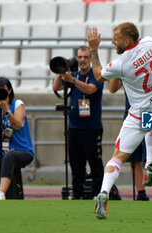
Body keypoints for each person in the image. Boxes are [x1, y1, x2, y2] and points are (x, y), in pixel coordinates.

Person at [87, 22, 152, 219]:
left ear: (127, 41)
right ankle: (150, 163)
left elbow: (97, 75)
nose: (112, 42)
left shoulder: (121, 64)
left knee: (118, 156)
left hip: (140, 113)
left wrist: (94, 49)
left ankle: (103, 193)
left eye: (116, 39)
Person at [52, 46, 104, 200]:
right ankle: (77, 194)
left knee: (95, 164)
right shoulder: (73, 74)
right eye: (80, 57)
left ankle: (98, 193)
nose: (82, 60)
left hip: (91, 128)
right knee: (76, 165)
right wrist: (62, 70)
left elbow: (90, 89)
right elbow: (56, 87)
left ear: (90, 59)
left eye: (86, 57)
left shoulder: (96, 75)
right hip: (73, 128)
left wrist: (73, 81)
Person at [108, 79, 152, 201]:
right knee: (133, 158)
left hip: (150, 112)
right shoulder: (126, 66)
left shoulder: (147, 63)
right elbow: (112, 88)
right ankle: (141, 193)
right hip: (132, 115)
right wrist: (116, 72)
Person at [0, 77, 34, 200]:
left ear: (9, 91)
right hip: (2, 150)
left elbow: (17, 125)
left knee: (9, 156)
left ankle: (1, 193)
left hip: (22, 151)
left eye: (3, 90)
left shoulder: (17, 104)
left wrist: (6, 110)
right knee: (5, 156)